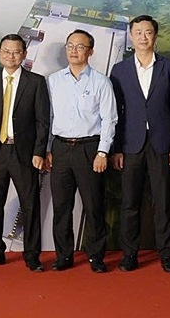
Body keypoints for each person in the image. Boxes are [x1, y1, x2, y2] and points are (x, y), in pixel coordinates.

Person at [110, 15, 170, 274]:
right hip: (130, 144)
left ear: (155, 35)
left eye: (148, 32)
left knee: (163, 202)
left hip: (162, 144)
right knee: (129, 203)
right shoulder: (119, 70)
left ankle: (167, 255)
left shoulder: (169, 68)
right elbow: (114, 113)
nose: (143, 37)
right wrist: (116, 148)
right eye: (138, 32)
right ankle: (129, 254)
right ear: (131, 36)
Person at [0, 34, 50, 271]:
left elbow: (42, 121)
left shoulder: (36, 82)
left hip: (24, 154)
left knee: (30, 205)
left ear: (24, 54)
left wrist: (39, 151)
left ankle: (32, 254)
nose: (11, 56)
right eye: (6, 51)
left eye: (16, 52)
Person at [45, 29, 117, 273]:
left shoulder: (101, 82)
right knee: (61, 207)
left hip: (89, 149)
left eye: (80, 46)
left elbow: (109, 120)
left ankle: (96, 257)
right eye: (70, 46)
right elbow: (48, 117)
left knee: (93, 206)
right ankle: (63, 256)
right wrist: (48, 149)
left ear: (90, 51)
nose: (74, 51)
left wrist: (103, 152)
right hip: (60, 148)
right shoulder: (54, 81)